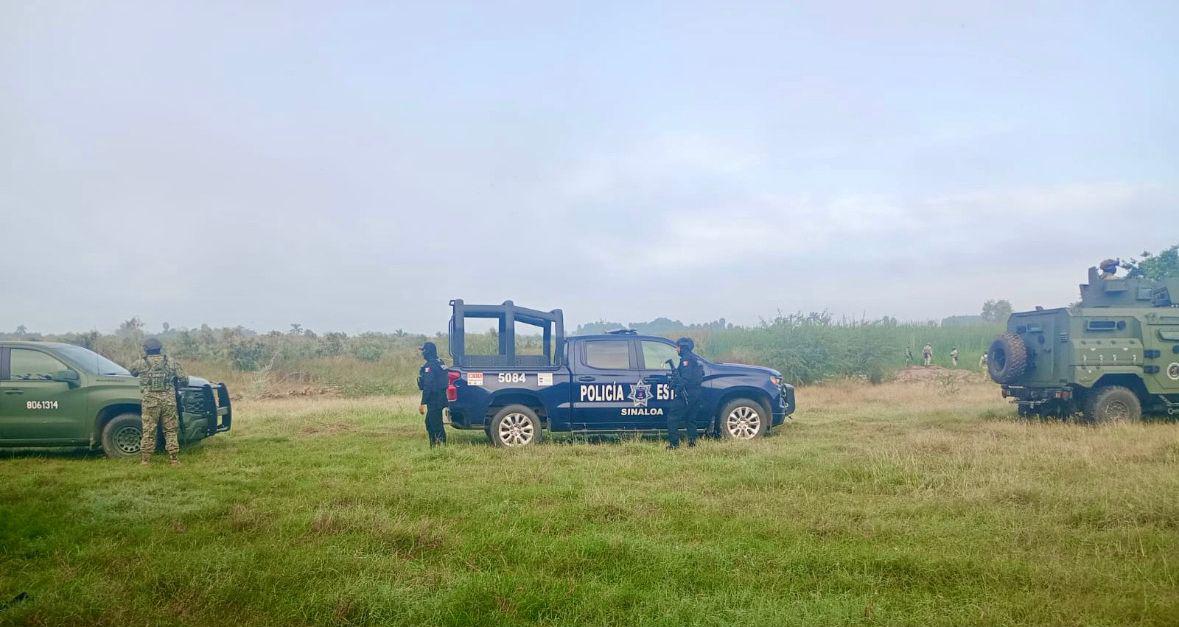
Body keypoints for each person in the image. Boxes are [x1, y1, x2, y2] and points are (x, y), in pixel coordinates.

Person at [128, 338, 188, 466]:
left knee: (149, 430)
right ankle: (174, 460)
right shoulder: (171, 362)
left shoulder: (140, 363)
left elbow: (132, 372)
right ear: (160, 348)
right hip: (169, 401)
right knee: (171, 430)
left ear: (146, 349)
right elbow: (184, 380)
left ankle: (145, 460)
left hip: (150, 401)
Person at [666, 337, 705, 449]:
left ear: (683, 347)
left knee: (672, 417)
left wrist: (677, 390)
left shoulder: (686, 360)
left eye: (677, 347)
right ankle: (692, 444)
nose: (676, 349)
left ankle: (674, 445)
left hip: (687, 394)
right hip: (696, 393)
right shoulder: (694, 358)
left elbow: (685, 378)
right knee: (690, 419)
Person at [417, 341, 448, 447]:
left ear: (428, 352)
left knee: (435, 424)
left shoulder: (430, 366)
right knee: (430, 422)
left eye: (424, 350)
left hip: (434, 399)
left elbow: (428, 386)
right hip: (441, 397)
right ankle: (434, 445)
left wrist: (422, 403)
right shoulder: (440, 362)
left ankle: (441, 446)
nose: (422, 353)